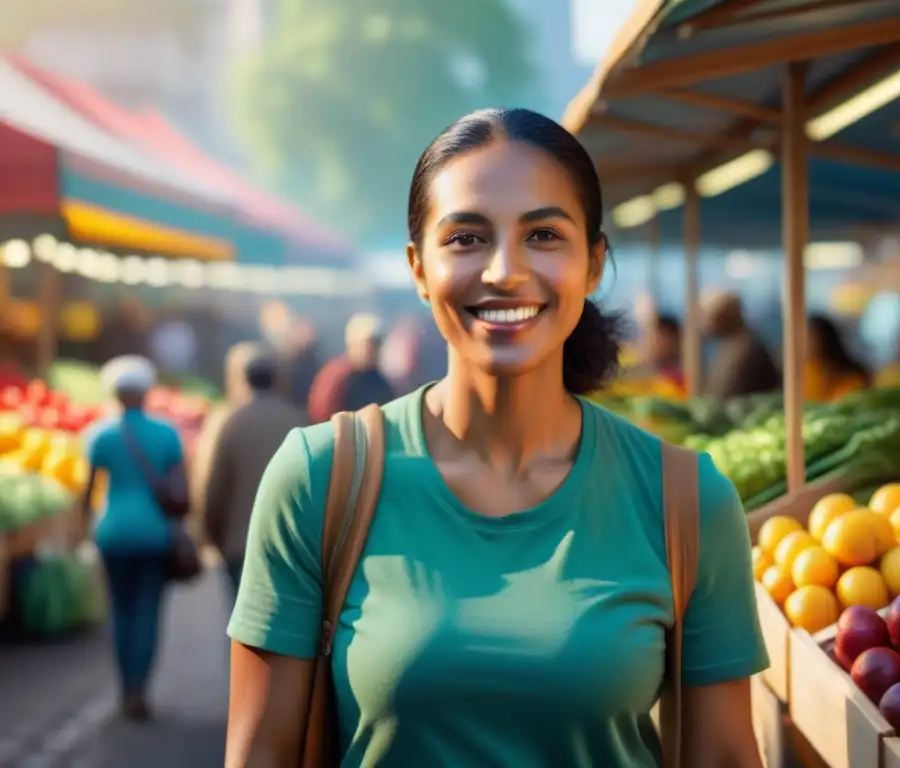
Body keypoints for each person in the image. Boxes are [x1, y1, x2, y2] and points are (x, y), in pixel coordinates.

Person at [226, 107, 767, 767]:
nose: (505, 270)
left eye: (544, 235)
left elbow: (726, 759)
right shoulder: (319, 480)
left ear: (594, 264)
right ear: (418, 268)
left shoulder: (686, 502)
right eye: (466, 238)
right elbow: (258, 754)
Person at [79, 356, 185, 721]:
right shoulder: (167, 434)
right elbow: (179, 488)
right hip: (154, 533)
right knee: (148, 612)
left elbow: (88, 490)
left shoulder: (100, 435)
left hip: (112, 532)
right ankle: (140, 686)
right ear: (145, 392)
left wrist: (82, 531)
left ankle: (125, 687)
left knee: (120, 611)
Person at [190, 343, 306, 598]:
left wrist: (210, 534)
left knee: (244, 626)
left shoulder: (230, 421)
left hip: (241, 544)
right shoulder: (297, 421)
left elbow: (213, 485)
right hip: (290, 544)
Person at [306, 313, 396, 423]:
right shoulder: (338, 378)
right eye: (370, 343)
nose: (374, 350)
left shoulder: (380, 382)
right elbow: (321, 416)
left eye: (378, 344)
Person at [703, 291, 781, 399]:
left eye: (712, 317)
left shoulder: (747, 348)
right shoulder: (729, 344)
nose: (708, 323)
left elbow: (729, 392)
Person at [804, 314, 870, 403]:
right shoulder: (807, 371)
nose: (802, 343)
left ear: (825, 340)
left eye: (808, 337)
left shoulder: (852, 379)